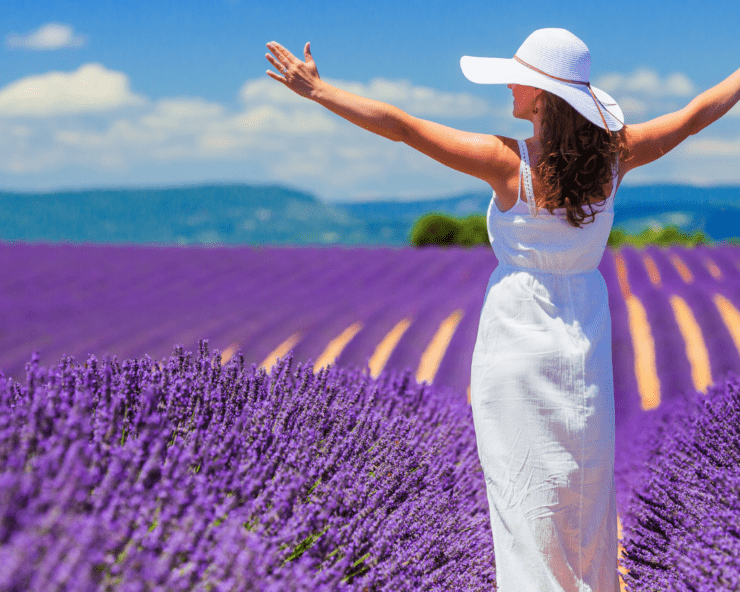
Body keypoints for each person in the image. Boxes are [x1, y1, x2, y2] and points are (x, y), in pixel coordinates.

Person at [265, 29, 740, 591]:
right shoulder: (617, 153)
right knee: (581, 482)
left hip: (517, 330)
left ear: (541, 97)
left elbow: (404, 128)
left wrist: (320, 92)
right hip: (583, 329)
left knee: (522, 491)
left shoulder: (507, 160)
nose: (509, 85)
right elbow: (693, 115)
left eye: (519, 79)